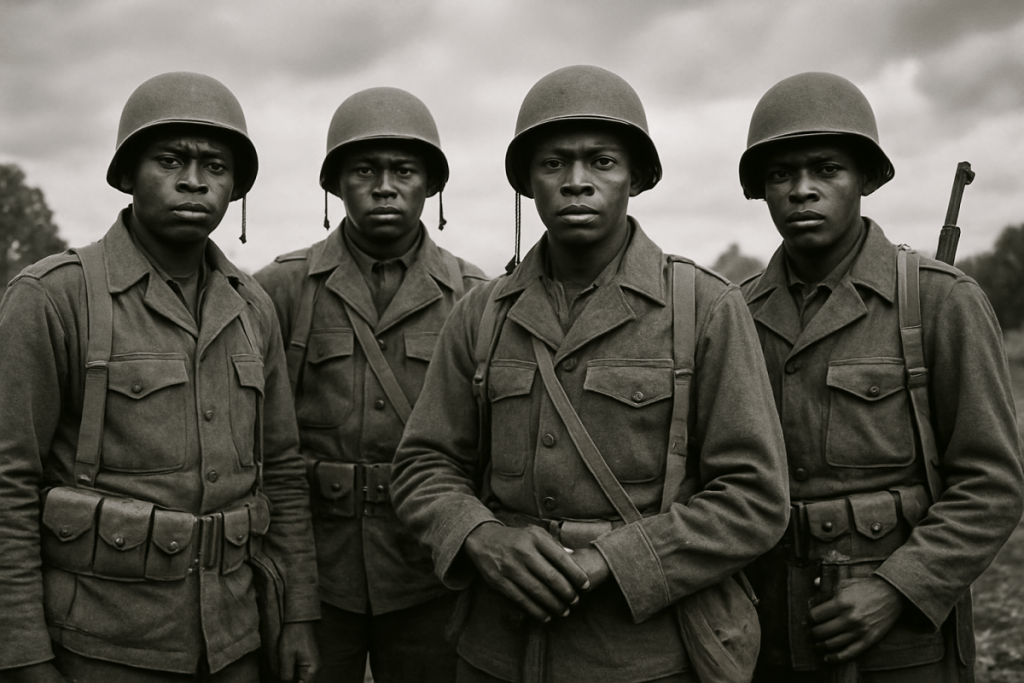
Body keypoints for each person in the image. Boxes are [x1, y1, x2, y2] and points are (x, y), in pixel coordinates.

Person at [389, 64, 789, 683]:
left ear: (635, 177)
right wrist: (481, 537)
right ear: (528, 182)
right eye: (554, 164)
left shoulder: (704, 308)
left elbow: (755, 498)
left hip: (649, 655)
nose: (577, 182)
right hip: (498, 651)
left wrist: (614, 561)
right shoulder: (480, 314)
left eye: (601, 161)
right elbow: (423, 466)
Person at [0, 72, 320, 683]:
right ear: (126, 175)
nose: (195, 180)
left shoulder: (253, 307)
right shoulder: (51, 298)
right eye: (170, 160)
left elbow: (281, 469)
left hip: (233, 641)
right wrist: (21, 653)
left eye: (216, 166)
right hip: (99, 645)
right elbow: (8, 483)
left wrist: (298, 613)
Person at [738, 71, 1024, 682]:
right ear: (760, 190)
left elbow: (991, 482)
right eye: (781, 175)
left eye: (826, 170)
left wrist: (897, 589)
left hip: (901, 645)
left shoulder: (940, 302)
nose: (802, 191)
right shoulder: (731, 315)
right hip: (762, 638)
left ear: (865, 178)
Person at [254, 87, 487, 683]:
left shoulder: (474, 296)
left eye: (404, 170)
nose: (385, 185)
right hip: (314, 571)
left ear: (430, 185)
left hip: (429, 570)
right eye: (364, 170)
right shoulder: (280, 290)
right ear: (335, 185)